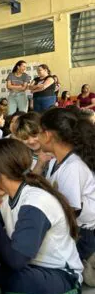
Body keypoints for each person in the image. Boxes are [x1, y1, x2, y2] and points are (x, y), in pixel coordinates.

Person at [0, 139, 83, 294]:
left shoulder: (35, 201)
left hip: (60, 275)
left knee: (15, 283)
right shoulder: (5, 197)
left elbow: (16, 260)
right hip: (29, 269)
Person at [39, 108, 95, 281]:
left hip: (81, 233)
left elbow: (71, 211)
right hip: (73, 228)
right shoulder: (57, 160)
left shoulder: (72, 166)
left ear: (47, 135)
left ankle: (89, 258)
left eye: (39, 132)